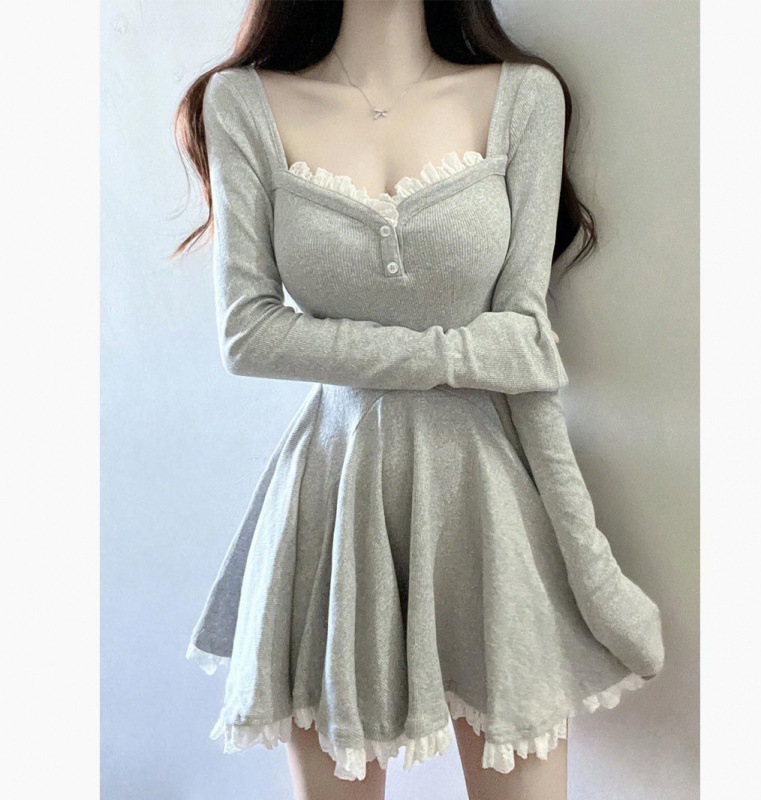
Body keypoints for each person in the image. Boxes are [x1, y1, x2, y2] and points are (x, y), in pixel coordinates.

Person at [172, 2, 665, 798]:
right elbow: (249, 333)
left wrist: (590, 566)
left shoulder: (524, 97)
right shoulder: (242, 103)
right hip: (332, 508)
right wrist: (456, 354)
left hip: (487, 507)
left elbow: (526, 343)